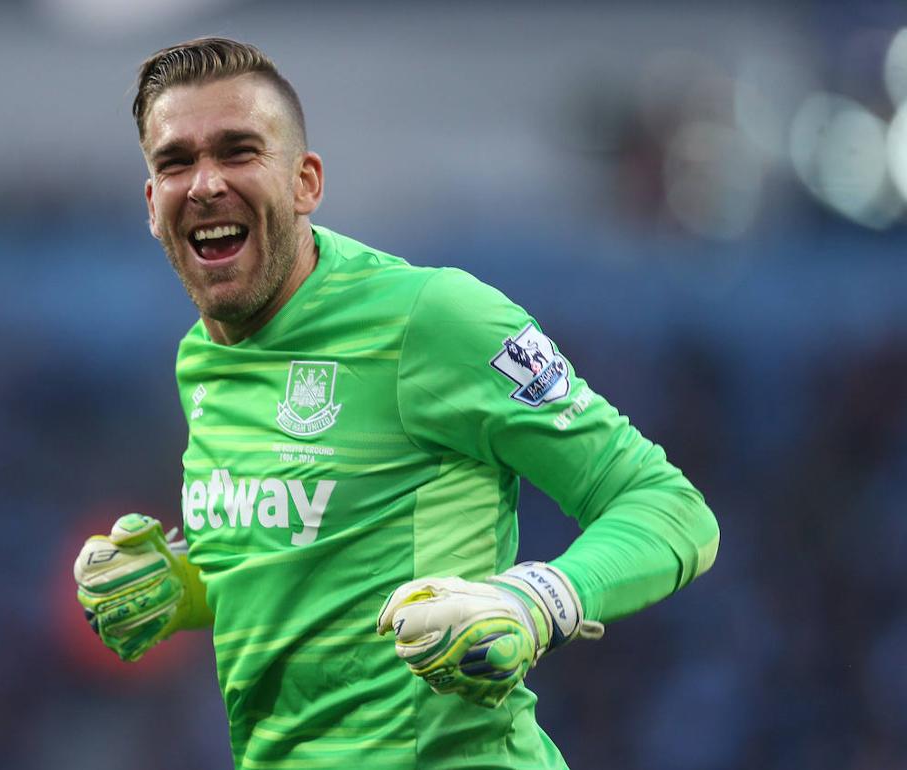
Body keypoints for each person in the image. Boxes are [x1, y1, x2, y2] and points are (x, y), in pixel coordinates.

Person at [74, 37, 719, 770]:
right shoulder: (202, 358)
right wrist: (180, 589)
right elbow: (298, 566)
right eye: (175, 162)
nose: (205, 183)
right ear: (152, 205)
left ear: (305, 182)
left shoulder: (433, 319)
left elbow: (670, 508)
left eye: (238, 151)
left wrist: (534, 601)